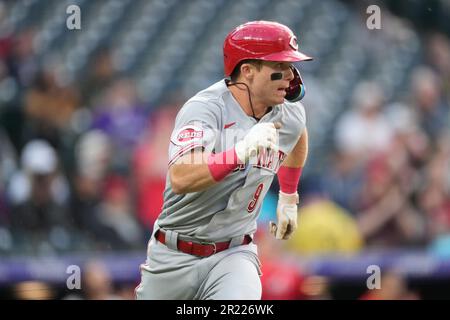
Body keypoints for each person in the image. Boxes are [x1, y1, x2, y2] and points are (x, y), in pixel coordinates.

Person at [135, 21, 312, 300]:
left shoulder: (288, 113)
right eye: (280, 68)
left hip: (234, 253)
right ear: (248, 71)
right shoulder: (204, 109)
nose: (290, 76)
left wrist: (289, 196)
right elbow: (181, 178)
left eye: (291, 66)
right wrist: (240, 152)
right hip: (173, 255)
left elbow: (298, 135)